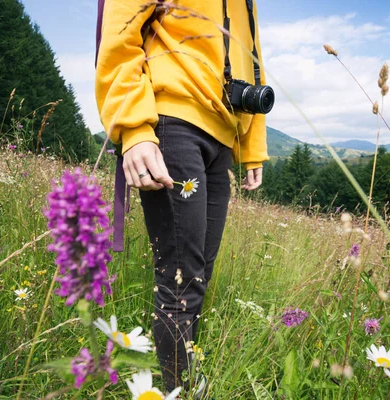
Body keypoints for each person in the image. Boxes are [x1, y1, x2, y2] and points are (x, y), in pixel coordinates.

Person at [95, 0, 271, 395]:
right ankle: (182, 389)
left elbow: (252, 57)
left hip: (222, 134)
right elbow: (120, 31)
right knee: (180, 281)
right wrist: (135, 128)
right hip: (171, 121)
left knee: (199, 275)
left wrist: (251, 146)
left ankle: (185, 377)